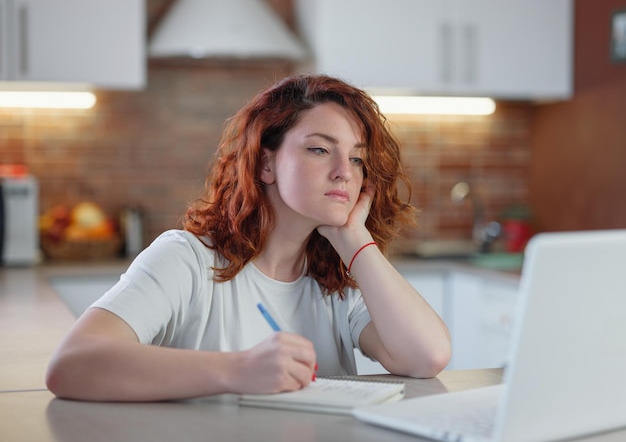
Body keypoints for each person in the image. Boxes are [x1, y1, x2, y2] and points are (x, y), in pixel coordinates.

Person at [46, 74, 451, 402]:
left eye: (357, 158)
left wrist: (354, 240)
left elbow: (427, 356)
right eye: (319, 150)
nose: (345, 171)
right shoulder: (186, 259)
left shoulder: (340, 281)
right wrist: (236, 370)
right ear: (265, 163)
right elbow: (72, 365)